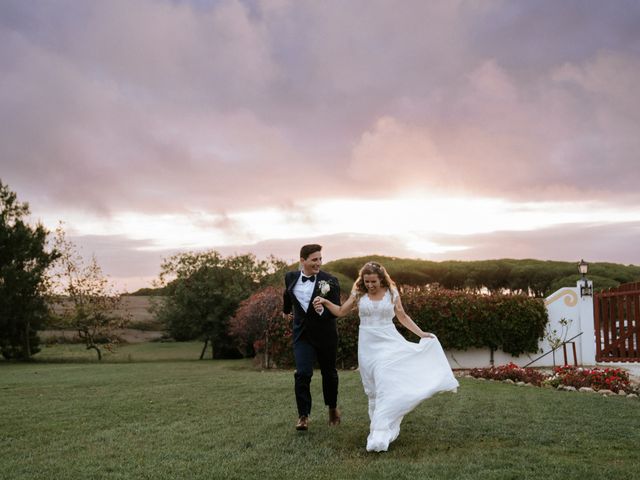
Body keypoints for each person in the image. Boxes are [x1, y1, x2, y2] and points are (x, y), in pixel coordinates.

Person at [313, 261, 458, 452]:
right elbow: (340, 311)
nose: (370, 285)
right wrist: (325, 301)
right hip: (367, 345)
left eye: (373, 281)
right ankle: (378, 428)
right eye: (367, 281)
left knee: (384, 379)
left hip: (389, 342)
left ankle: (380, 432)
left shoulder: (392, 293)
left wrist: (421, 334)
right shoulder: (358, 293)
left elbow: (402, 316)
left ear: (381, 279)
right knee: (372, 389)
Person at [282, 244, 342, 431]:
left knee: (329, 373)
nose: (318, 263)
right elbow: (287, 293)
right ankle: (303, 416)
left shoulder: (330, 281)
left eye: (320, 259)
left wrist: (322, 310)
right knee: (302, 373)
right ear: (303, 261)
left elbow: (336, 310)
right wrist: (286, 311)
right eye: (314, 259)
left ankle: (332, 408)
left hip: (325, 334)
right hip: (302, 335)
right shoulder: (290, 277)